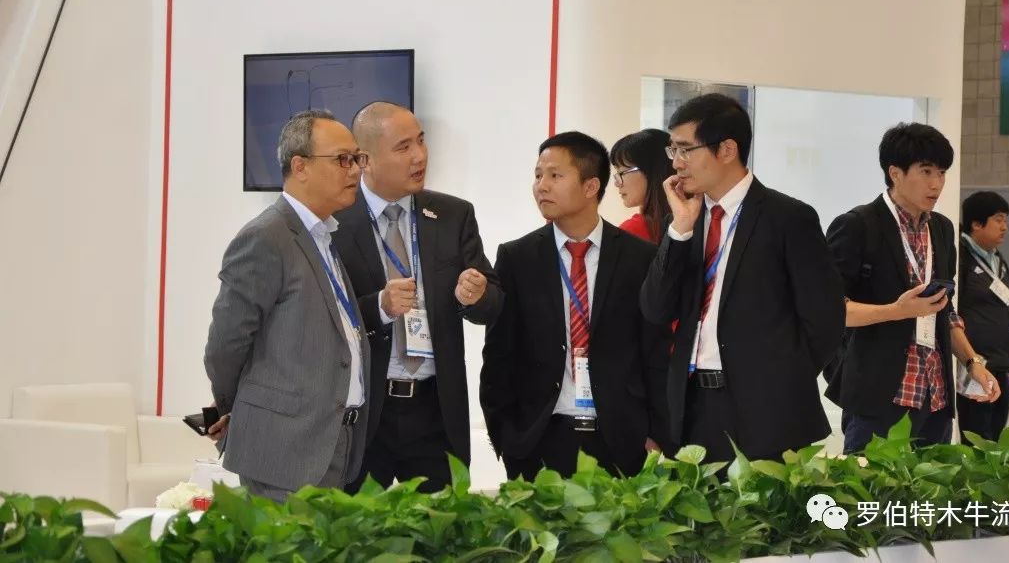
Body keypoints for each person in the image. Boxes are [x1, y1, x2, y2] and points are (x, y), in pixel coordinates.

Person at [639, 94, 845, 462]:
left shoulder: (788, 218)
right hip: (694, 408)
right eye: (673, 150)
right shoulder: (685, 219)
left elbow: (825, 320)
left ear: (727, 150)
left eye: (685, 149)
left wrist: (781, 381)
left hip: (768, 412)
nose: (676, 162)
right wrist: (680, 229)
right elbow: (655, 309)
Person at [332, 102, 503, 493]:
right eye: (403, 147)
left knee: (440, 526)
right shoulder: (335, 221)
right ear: (365, 160)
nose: (420, 156)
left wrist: (476, 296)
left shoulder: (453, 215)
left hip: (434, 411)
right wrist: (378, 306)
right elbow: (321, 315)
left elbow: (493, 304)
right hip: (364, 412)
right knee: (356, 527)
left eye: (421, 142)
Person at [480, 132, 669, 478]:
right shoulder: (517, 257)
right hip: (539, 437)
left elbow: (654, 350)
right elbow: (499, 353)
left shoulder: (639, 257)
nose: (541, 186)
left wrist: (656, 430)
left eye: (555, 175)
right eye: (538, 175)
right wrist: (506, 436)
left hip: (619, 438)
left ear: (590, 186)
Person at [204, 110, 371, 501]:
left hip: (333, 443)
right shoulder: (266, 237)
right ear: (300, 167)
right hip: (283, 450)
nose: (355, 170)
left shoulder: (323, 236)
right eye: (342, 159)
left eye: (357, 159)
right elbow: (225, 345)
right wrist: (234, 407)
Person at [825, 123, 999, 455]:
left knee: (932, 489)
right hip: (880, 397)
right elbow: (830, 309)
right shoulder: (858, 225)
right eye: (926, 171)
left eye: (942, 172)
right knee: (870, 487)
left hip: (935, 398)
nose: (937, 183)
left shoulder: (943, 229)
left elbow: (945, 310)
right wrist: (897, 311)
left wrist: (973, 362)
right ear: (895, 173)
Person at [956, 191, 1009, 444]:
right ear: (976, 224)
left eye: (1005, 220)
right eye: (998, 219)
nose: (1005, 227)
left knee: (997, 441)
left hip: (1000, 363)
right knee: (977, 441)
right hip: (974, 364)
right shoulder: (961, 257)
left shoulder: (998, 260)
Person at [610, 129, 674, 244]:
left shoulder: (631, 232)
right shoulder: (695, 221)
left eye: (622, 172)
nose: (617, 183)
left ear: (652, 171)